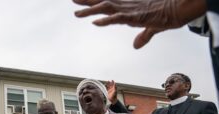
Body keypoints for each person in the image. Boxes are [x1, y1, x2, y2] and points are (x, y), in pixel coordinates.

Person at [72, 0, 219, 101]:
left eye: (172, 81)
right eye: (164, 83)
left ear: (187, 85)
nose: (167, 85)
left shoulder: (203, 108)